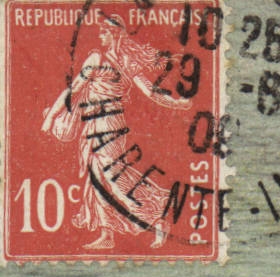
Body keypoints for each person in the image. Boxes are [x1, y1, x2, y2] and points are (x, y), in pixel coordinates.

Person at [41, 14, 192, 250]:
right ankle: (106, 234)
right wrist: (51, 116)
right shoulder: (97, 58)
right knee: (96, 177)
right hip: (92, 122)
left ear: (114, 34)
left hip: (110, 125)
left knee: (114, 176)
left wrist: (176, 103)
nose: (100, 36)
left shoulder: (121, 60)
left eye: (103, 32)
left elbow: (150, 91)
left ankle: (158, 216)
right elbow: (74, 90)